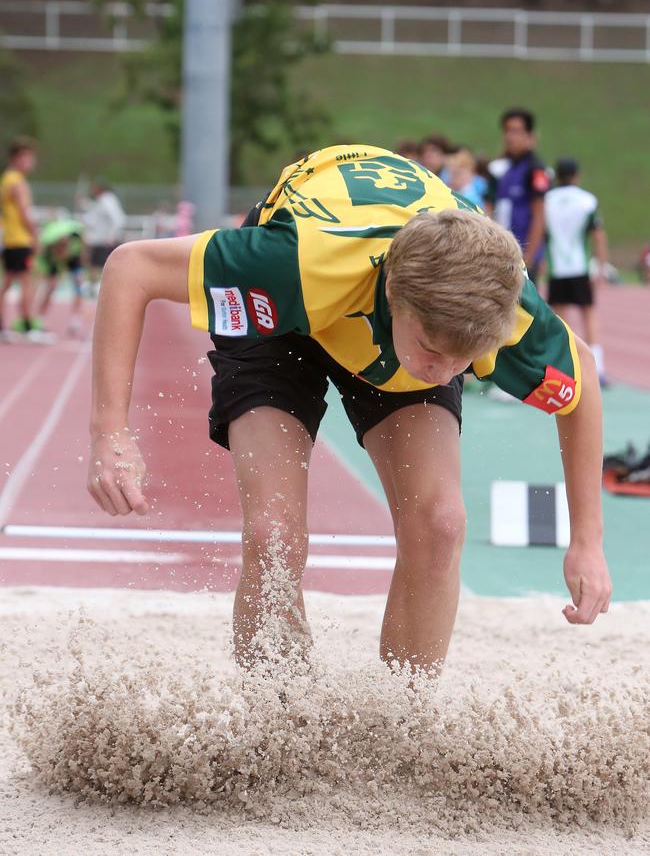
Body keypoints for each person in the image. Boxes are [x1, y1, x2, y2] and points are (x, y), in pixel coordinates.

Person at [88, 144, 612, 675]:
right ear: (393, 294)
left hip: (397, 324)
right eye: (435, 351)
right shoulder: (290, 262)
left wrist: (587, 543)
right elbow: (131, 268)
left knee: (440, 523)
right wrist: (110, 430)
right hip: (285, 318)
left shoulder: (500, 304)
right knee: (275, 534)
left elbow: (581, 381)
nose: (446, 372)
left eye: (466, 359)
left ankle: (399, 722)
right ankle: (276, 722)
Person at [544, 158, 609, 387]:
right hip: (579, 266)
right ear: (577, 175)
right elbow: (598, 235)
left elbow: (543, 232)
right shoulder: (587, 200)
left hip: (557, 267)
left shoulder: (547, 200)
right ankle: (598, 369)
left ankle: (564, 368)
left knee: (560, 318)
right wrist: (601, 266)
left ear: (557, 175)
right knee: (588, 313)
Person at [485, 108, 550, 283]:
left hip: (523, 258)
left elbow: (539, 215)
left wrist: (528, 259)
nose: (509, 136)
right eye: (507, 131)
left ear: (529, 136)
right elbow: (488, 210)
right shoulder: (498, 169)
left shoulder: (536, 169)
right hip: (500, 256)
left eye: (516, 131)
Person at [0, 136, 40, 340]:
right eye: (28, 158)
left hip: (9, 239)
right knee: (27, 283)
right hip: (20, 239)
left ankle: (3, 326)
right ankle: (26, 327)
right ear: (17, 158)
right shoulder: (17, 182)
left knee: (7, 283)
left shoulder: (6, 178)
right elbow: (25, 213)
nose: (32, 163)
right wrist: (35, 235)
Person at [37, 218, 87, 338]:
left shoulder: (76, 242)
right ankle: (41, 317)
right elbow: (42, 266)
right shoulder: (48, 251)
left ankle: (76, 319)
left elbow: (84, 250)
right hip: (54, 260)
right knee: (51, 286)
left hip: (73, 258)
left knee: (79, 283)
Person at [79, 178, 126, 288]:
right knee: (94, 264)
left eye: (94, 188)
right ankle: (95, 285)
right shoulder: (103, 201)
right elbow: (95, 214)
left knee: (103, 265)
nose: (92, 190)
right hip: (99, 239)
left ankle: (102, 286)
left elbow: (118, 219)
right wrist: (83, 204)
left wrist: (112, 236)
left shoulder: (107, 201)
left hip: (104, 240)